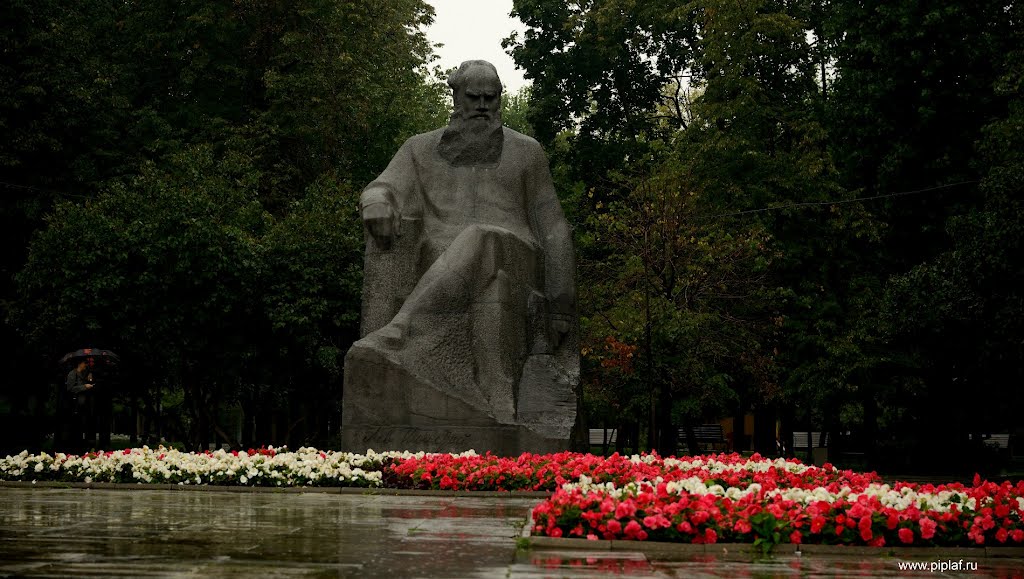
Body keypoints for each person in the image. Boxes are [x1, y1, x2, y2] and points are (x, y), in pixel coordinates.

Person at [352, 60, 576, 425]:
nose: (483, 106)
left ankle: (399, 334)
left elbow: (553, 225)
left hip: (516, 257)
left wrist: (562, 300)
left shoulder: (527, 152)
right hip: (442, 265)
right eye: (474, 97)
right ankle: (496, 404)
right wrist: (377, 201)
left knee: (482, 236)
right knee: (487, 278)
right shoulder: (418, 149)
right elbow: (383, 185)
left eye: (492, 98)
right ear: (455, 96)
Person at [65, 360, 95, 451]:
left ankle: (84, 447)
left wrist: (90, 380)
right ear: (79, 363)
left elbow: (86, 386)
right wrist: (84, 387)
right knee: (76, 428)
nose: (85, 365)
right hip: (75, 406)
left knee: (85, 427)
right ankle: (75, 448)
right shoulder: (72, 374)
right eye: (84, 363)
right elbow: (70, 389)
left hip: (84, 405)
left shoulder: (83, 374)